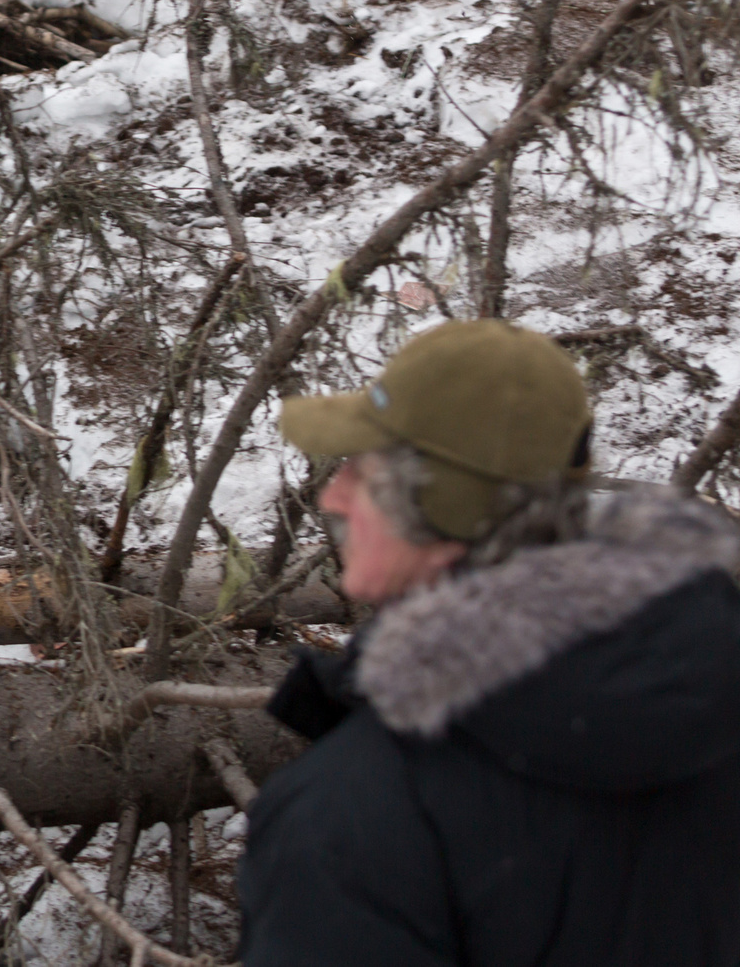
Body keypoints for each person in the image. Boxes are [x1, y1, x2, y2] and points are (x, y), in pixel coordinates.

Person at [239, 317, 740, 966]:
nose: (333, 496)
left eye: (362, 474)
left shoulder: (350, 818)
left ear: (441, 507)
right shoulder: (711, 691)